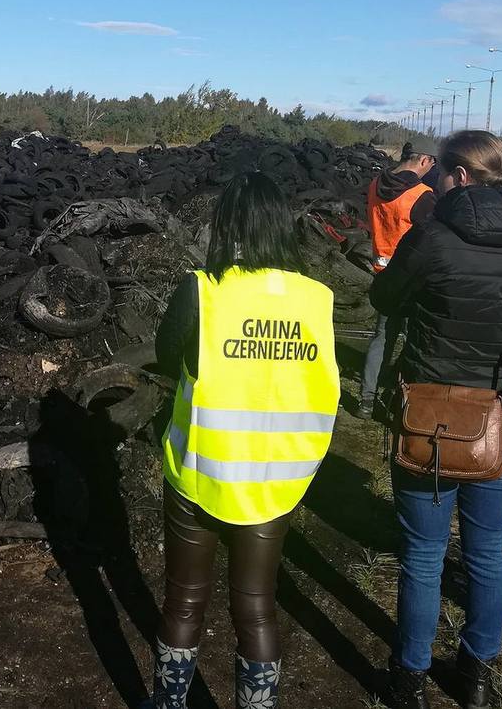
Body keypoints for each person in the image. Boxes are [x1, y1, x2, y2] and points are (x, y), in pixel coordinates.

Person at [369, 130, 502, 709]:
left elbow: (384, 301)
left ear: (458, 176)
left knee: (423, 554)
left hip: (428, 417)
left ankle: (410, 678)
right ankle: (477, 675)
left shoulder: (430, 237)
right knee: (486, 552)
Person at [144, 172, 341, 709]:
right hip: (277, 482)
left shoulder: (204, 291)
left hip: (199, 474)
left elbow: (167, 358)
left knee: (184, 604)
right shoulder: (317, 300)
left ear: (227, 225)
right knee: (257, 607)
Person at [355, 138, 438, 420]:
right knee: (416, 339)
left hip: (382, 273)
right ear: (424, 160)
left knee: (382, 337)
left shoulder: (375, 184)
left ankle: (366, 399)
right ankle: (406, 403)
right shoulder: (422, 196)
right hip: (413, 279)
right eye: (431, 165)